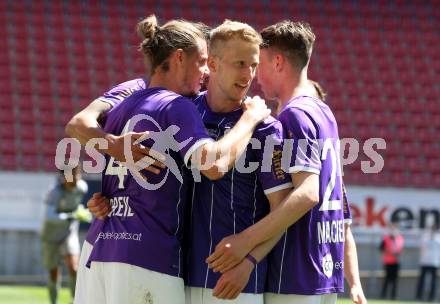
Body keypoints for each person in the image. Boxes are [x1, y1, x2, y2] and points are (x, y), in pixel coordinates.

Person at [77, 15, 270, 304]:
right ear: (179, 57)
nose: (206, 72)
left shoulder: (125, 103)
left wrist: (106, 190)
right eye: (202, 61)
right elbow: (213, 166)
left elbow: (79, 125)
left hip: (99, 248)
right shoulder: (176, 105)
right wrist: (250, 120)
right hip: (147, 255)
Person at [206, 21, 367, 304]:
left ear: (278, 62)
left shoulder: (295, 115)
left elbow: (307, 193)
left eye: (260, 64)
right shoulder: (323, 111)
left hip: (295, 271)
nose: (255, 76)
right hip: (324, 267)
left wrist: (246, 242)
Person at [40, 166, 90, 304]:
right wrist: (72, 215)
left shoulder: (82, 188)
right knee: (54, 273)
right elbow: (49, 216)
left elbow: (76, 207)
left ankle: (75, 300)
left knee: (74, 267)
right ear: (64, 177)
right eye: (72, 175)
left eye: (77, 174)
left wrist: (81, 213)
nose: (76, 178)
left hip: (68, 233)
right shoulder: (54, 192)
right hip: (50, 236)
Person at [415, 223, 440, 301]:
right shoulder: (425, 237)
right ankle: (418, 297)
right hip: (424, 261)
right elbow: (421, 247)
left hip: (434, 262)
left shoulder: (438, 237)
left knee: (433, 281)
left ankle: (431, 298)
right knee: (421, 281)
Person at [380, 222, 404, 299]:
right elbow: (381, 248)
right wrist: (389, 251)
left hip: (396, 262)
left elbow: (400, 250)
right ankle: (383, 296)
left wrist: (396, 253)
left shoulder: (400, 238)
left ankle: (393, 297)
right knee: (387, 279)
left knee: (395, 280)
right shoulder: (386, 238)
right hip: (388, 262)